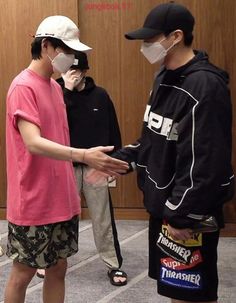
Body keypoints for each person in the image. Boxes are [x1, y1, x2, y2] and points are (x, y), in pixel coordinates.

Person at [110, 2, 234, 303]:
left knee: (191, 294)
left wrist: (182, 215)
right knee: (175, 291)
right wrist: (123, 159)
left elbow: (205, 161)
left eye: (151, 39)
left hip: (187, 212)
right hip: (164, 208)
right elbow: (155, 137)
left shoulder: (204, 86)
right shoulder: (163, 77)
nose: (145, 46)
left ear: (176, 36)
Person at [4, 15, 128, 303]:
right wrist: (85, 155)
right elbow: (33, 142)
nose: (72, 58)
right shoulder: (23, 86)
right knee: (23, 272)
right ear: (46, 45)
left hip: (62, 198)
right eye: (68, 51)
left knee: (59, 268)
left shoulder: (54, 87)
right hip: (33, 201)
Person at [37, 51, 127, 286]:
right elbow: (49, 124)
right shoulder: (53, 91)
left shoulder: (100, 95)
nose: (72, 76)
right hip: (62, 163)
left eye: (76, 72)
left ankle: (113, 264)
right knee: (56, 216)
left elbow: (113, 130)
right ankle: (48, 260)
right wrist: (64, 89)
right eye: (68, 71)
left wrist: (113, 162)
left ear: (86, 72)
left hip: (94, 166)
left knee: (102, 216)